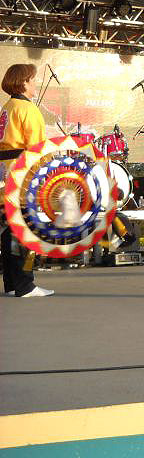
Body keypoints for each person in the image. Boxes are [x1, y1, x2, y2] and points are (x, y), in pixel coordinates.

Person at [0, 63, 53, 297]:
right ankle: (25, 285)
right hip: (22, 173)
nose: (35, 83)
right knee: (24, 229)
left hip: (4, 171)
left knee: (9, 229)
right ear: (23, 82)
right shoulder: (28, 109)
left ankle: (12, 284)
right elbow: (36, 148)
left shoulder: (7, 107)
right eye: (32, 79)